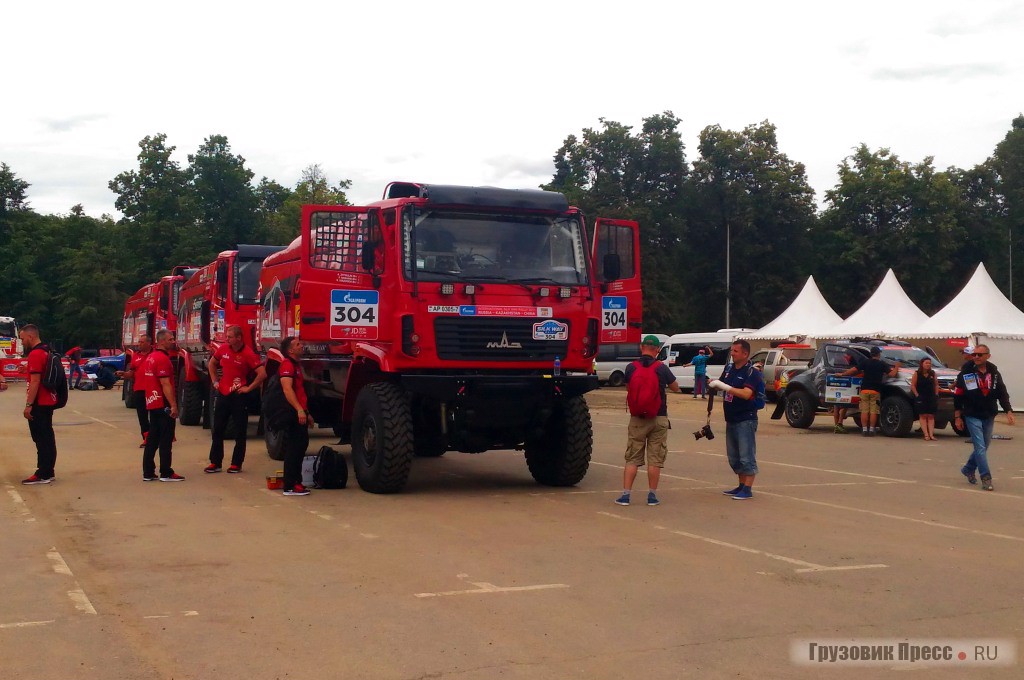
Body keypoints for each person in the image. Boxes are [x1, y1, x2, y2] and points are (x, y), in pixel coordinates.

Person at [615, 334, 680, 507]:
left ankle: (626, 495)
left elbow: (629, 388)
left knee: (632, 457)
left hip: (637, 418)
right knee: (655, 458)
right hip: (658, 416)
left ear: (641, 347)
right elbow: (676, 387)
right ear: (657, 350)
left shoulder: (631, 367)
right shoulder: (661, 368)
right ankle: (652, 496)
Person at [205, 325, 266, 474]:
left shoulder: (248, 353)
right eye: (227, 336)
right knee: (218, 429)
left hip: (239, 396)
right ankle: (215, 462)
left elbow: (262, 374)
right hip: (223, 394)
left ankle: (236, 463)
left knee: (240, 431)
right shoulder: (223, 349)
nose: (227, 339)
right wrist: (215, 382)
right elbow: (212, 364)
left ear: (239, 338)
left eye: (230, 337)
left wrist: (249, 388)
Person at [708, 339, 765, 501]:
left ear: (745, 354)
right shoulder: (729, 369)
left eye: (735, 351)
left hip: (746, 418)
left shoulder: (751, 372)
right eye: (732, 351)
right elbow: (722, 385)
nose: (732, 354)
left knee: (746, 455)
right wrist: (713, 383)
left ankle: (747, 488)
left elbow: (747, 394)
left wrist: (724, 387)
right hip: (731, 418)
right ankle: (741, 485)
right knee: (734, 456)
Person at [954, 344, 1015, 491]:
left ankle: (968, 469)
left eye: (979, 355)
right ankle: (986, 477)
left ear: (988, 356)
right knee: (980, 447)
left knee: (984, 446)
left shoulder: (994, 373)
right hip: (972, 414)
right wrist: (957, 416)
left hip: (989, 414)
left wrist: (1008, 410)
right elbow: (958, 396)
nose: (976, 357)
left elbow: (1002, 392)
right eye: (974, 354)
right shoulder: (965, 373)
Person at [140, 330, 184, 482]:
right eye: (170, 339)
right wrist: (173, 405)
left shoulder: (150, 357)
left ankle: (148, 472)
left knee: (152, 438)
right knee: (166, 439)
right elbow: (165, 383)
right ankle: (166, 472)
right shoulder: (163, 359)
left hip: (152, 402)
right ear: (162, 341)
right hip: (162, 403)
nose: (173, 341)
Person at [18, 324, 59, 485]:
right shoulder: (46, 350)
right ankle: (48, 470)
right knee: (47, 436)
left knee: (41, 438)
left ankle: (43, 472)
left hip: (39, 402)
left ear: (30, 336)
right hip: (48, 400)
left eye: (22, 339)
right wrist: (27, 368)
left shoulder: (35, 353)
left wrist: (29, 404)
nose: (22, 342)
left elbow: (35, 382)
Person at [839, 346, 899, 436]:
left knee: (864, 411)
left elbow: (853, 370)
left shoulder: (865, 362)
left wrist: (842, 374)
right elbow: (892, 374)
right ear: (879, 354)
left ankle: (864, 429)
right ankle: (871, 429)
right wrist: (897, 366)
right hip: (875, 391)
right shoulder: (882, 364)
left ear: (871, 354)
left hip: (864, 390)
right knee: (873, 411)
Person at [278, 336, 311, 496]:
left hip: (300, 412)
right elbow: (287, 389)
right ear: (290, 350)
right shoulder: (287, 365)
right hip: (292, 412)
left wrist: (307, 413)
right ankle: (290, 485)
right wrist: (298, 409)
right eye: (298, 344)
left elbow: (300, 391)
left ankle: (296, 482)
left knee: (300, 446)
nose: (302, 345)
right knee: (294, 448)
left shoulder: (296, 365)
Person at [117, 335, 152, 448]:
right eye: (139, 342)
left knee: (155, 415)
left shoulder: (154, 355)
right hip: (139, 389)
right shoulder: (135, 356)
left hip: (152, 390)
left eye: (142, 342)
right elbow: (131, 373)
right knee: (142, 415)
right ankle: (146, 437)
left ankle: (156, 436)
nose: (139, 344)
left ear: (149, 343)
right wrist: (124, 374)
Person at [911, 357, 942, 440]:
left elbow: (936, 384)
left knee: (931, 416)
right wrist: (917, 395)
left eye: (929, 363)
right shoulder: (917, 373)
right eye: (926, 363)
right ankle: (926, 435)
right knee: (923, 415)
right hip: (921, 396)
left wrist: (936, 393)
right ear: (922, 364)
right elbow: (913, 385)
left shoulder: (932, 373)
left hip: (931, 396)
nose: (928, 365)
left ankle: (931, 434)